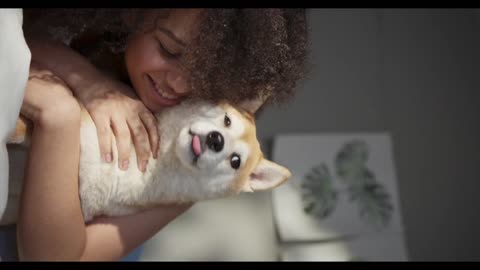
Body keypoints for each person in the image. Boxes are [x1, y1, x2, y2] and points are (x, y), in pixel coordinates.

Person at [15, 8, 308, 261]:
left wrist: (59, 116)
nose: (178, 84)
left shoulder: (189, 163)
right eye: (168, 50)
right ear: (134, 14)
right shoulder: (84, 32)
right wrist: (90, 83)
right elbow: (18, 49)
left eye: (204, 76)